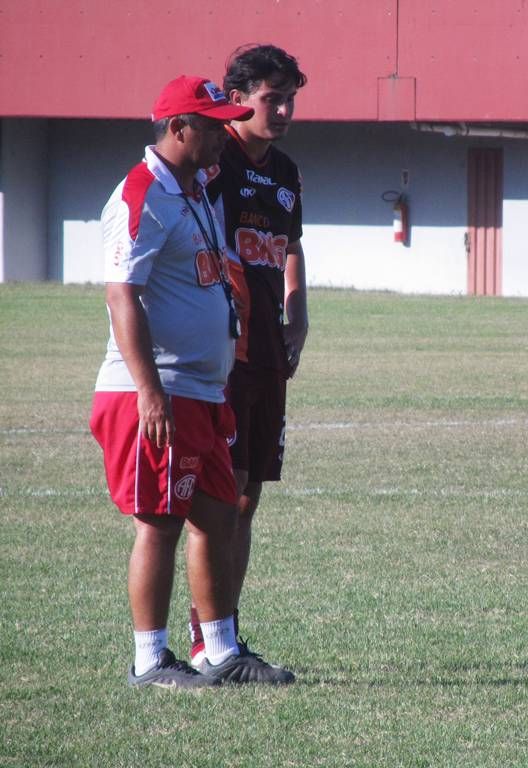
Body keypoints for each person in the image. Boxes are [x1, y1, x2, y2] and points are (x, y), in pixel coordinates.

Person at [91, 75, 293, 686]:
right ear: (179, 129)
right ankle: (150, 660)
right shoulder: (142, 192)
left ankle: (220, 651)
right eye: (210, 125)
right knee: (159, 523)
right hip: (161, 391)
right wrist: (149, 389)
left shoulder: (197, 188)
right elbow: (122, 294)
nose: (221, 134)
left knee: (217, 515)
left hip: (205, 391)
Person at [186, 45, 308, 677]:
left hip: (267, 354)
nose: (283, 110)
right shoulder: (212, 159)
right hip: (223, 354)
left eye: (290, 99)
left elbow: (291, 247)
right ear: (239, 99)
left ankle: (224, 635)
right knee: (220, 497)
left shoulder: (285, 171)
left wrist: (299, 313)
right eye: (271, 99)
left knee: (248, 497)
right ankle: (211, 642)